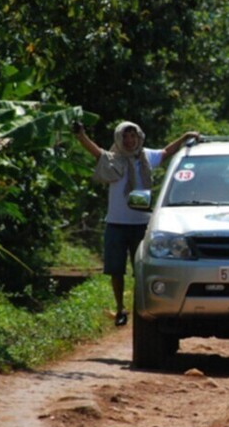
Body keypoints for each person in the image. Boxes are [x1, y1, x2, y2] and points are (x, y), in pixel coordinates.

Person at [73, 120, 199, 326]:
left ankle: (141, 308)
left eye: (133, 136)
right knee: (116, 269)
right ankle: (120, 307)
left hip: (141, 224)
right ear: (119, 139)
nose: (130, 140)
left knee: (141, 269)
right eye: (125, 136)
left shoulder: (146, 157)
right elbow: (94, 151)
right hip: (116, 223)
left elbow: (167, 152)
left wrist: (185, 137)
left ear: (139, 137)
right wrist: (81, 136)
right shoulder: (112, 159)